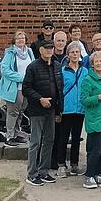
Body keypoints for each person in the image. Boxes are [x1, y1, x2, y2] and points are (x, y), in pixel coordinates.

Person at [22, 39, 63, 186]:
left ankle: (43, 171)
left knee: (49, 141)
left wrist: (59, 110)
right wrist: (40, 99)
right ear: (40, 51)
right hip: (37, 110)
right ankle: (32, 173)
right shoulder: (33, 67)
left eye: (51, 48)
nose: (49, 51)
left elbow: (59, 89)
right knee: (35, 142)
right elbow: (26, 88)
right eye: (46, 49)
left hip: (51, 110)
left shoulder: (57, 66)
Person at [79, 51, 101, 189]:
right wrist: (99, 97)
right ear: (92, 64)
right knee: (96, 148)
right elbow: (84, 100)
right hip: (94, 119)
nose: (99, 63)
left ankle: (97, 173)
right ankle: (89, 175)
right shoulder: (88, 80)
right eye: (96, 61)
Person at [0, 31, 34, 147]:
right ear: (14, 40)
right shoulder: (10, 53)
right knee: (13, 112)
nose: (21, 40)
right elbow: (5, 70)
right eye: (18, 38)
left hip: (26, 87)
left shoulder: (29, 52)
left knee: (21, 111)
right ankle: (9, 136)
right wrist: (22, 78)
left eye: (22, 38)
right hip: (15, 87)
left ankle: (17, 133)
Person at [55, 41, 86, 178]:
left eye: (77, 52)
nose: (74, 54)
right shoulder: (62, 71)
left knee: (76, 137)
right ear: (68, 55)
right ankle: (61, 164)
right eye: (72, 52)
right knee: (63, 137)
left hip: (80, 109)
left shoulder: (84, 71)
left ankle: (74, 164)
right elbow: (59, 90)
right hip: (66, 108)